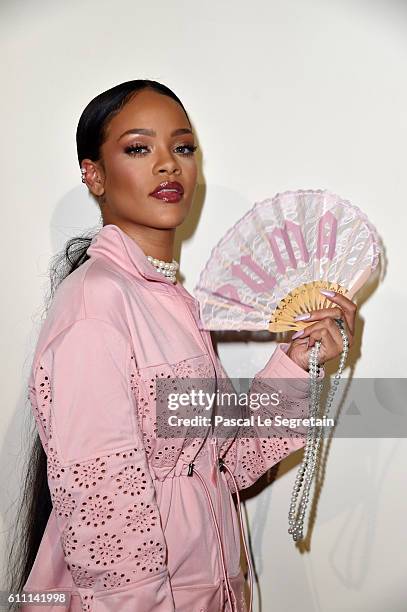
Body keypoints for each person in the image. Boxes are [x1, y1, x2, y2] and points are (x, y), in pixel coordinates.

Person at [8, 79, 357, 612]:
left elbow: (225, 466)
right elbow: (110, 521)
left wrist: (294, 361)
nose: (169, 164)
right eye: (139, 147)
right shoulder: (95, 306)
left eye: (184, 147)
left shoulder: (174, 303)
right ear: (94, 175)